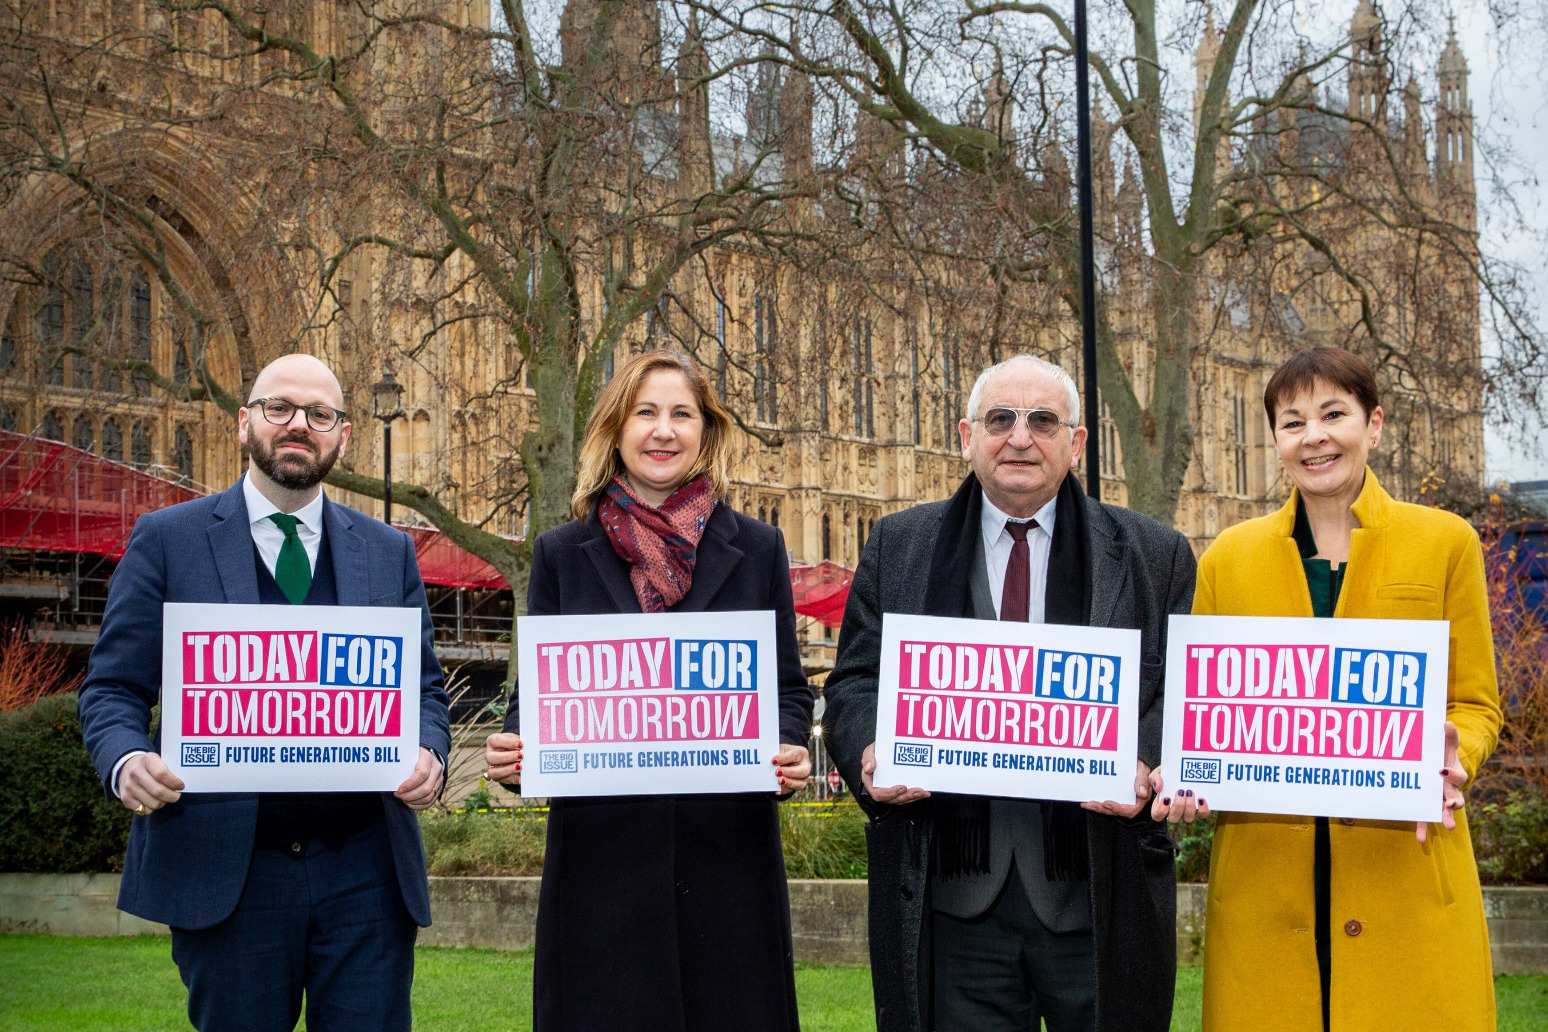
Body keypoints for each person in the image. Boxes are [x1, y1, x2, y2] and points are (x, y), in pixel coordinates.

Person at [77, 354, 450, 1032]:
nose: (298, 424)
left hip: (366, 873)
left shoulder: (388, 550)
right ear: (244, 422)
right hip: (227, 871)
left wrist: (430, 752)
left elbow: (424, 690)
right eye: (279, 407)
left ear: (343, 436)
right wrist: (127, 759)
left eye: (319, 414)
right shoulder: (168, 540)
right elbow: (112, 687)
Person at [823, 354, 1194, 1032]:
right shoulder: (899, 545)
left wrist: (1145, 760)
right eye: (1001, 419)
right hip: (953, 903)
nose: (1020, 438)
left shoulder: (1154, 553)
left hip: (1098, 895)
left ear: (1076, 444)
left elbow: (1179, 690)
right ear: (967, 437)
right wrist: (870, 747)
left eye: (1043, 421)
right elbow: (854, 679)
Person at [1153, 346, 1502, 1032]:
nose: (1313, 436)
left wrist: (1455, 753)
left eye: (1333, 414)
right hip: (1265, 889)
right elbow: (1204, 714)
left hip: (1403, 878)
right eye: (1292, 422)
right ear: (1275, 441)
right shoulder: (1227, 558)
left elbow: (1475, 704)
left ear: (1374, 425)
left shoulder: (1446, 543)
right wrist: (1184, 771)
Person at [483, 349, 814, 1032]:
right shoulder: (560, 554)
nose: (663, 430)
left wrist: (788, 748)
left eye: (682, 414)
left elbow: (786, 687)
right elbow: (537, 700)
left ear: (705, 432)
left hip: (728, 868)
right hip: (602, 873)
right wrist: (515, 754)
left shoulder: (759, 548)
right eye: (646, 413)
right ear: (616, 428)